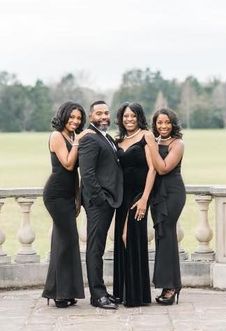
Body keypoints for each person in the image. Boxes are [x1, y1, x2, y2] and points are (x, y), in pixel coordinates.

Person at [42, 101, 93, 308]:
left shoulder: (72, 137)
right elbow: (69, 163)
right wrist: (79, 141)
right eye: (72, 117)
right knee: (67, 240)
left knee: (63, 242)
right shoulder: (57, 136)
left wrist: (77, 198)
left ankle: (61, 291)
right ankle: (59, 293)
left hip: (68, 195)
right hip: (55, 195)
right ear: (63, 116)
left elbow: (76, 174)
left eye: (79, 118)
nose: (75, 121)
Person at [79, 100, 123, 310]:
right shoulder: (89, 139)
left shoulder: (105, 137)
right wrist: (101, 199)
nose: (104, 116)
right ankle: (97, 295)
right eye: (99, 113)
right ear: (91, 116)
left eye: (106, 112)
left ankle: (103, 291)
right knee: (95, 248)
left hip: (108, 201)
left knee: (100, 247)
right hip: (98, 203)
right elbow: (87, 174)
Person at [113, 102, 156, 307]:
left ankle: (137, 295)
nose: (129, 119)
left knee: (128, 237)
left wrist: (144, 199)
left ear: (139, 117)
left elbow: (153, 169)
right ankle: (123, 293)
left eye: (133, 116)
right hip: (122, 196)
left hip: (139, 195)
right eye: (125, 116)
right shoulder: (118, 139)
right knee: (121, 241)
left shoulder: (146, 136)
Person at [144, 107, 186, 305]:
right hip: (156, 195)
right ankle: (166, 283)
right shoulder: (156, 141)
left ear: (173, 124)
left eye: (167, 122)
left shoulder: (178, 144)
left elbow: (162, 168)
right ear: (155, 124)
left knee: (168, 235)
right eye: (159, 123)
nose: (163, 126)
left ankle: (171, 285)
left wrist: (150, 143)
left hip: (172, 193)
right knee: (161, 236)